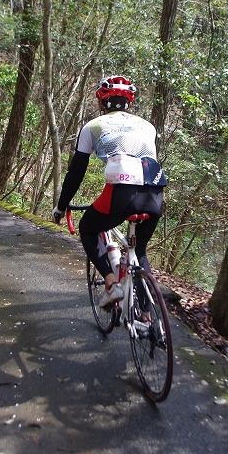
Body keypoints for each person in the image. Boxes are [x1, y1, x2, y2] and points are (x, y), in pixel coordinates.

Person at [52, 75, 167, 308]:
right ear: (129, 102)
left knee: (88, 227)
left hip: (122, 191)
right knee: (139, 250)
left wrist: (61, 207)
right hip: (155, 192)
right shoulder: (148, 127)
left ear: (101, 101)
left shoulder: (92, 126)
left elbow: (76, 173)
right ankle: (147, 318)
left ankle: (112, 283)